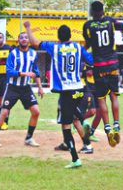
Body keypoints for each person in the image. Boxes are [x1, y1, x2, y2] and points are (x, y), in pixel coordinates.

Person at [25, 21, 93, 168]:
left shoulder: (55, 47)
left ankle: (75, 159)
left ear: (58, 37)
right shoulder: (77, 47)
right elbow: (92, 61)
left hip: (66, 92)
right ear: (70, 36)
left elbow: (35, 42)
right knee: (75, 118)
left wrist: (28, 28)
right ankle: (87, 139)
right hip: (78, 90)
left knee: (66, 125)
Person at [83, 0, 123, 148]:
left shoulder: (88, 25)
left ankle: (107, 128)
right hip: (113, 64)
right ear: (103, 11)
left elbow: (88, 43)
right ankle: (117, 125)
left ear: (92, 12)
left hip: (99, 66)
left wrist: (84, 51)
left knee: (101, 99)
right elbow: (122, 26)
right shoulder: (110, 21)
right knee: (114, 96)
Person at [0, 32, 44, 148]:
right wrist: (24, 73)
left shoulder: (33, 54)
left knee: (36, 112)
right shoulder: (13, 54)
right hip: (12, 88)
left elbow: (36, 72)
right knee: (4, 112)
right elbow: (9, 72)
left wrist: (40, 87)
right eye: (21, 38)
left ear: (28, 40)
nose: (24, 39)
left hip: (26, 88)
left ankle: (29, 138)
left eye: (26, 37)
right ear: (18, 40)